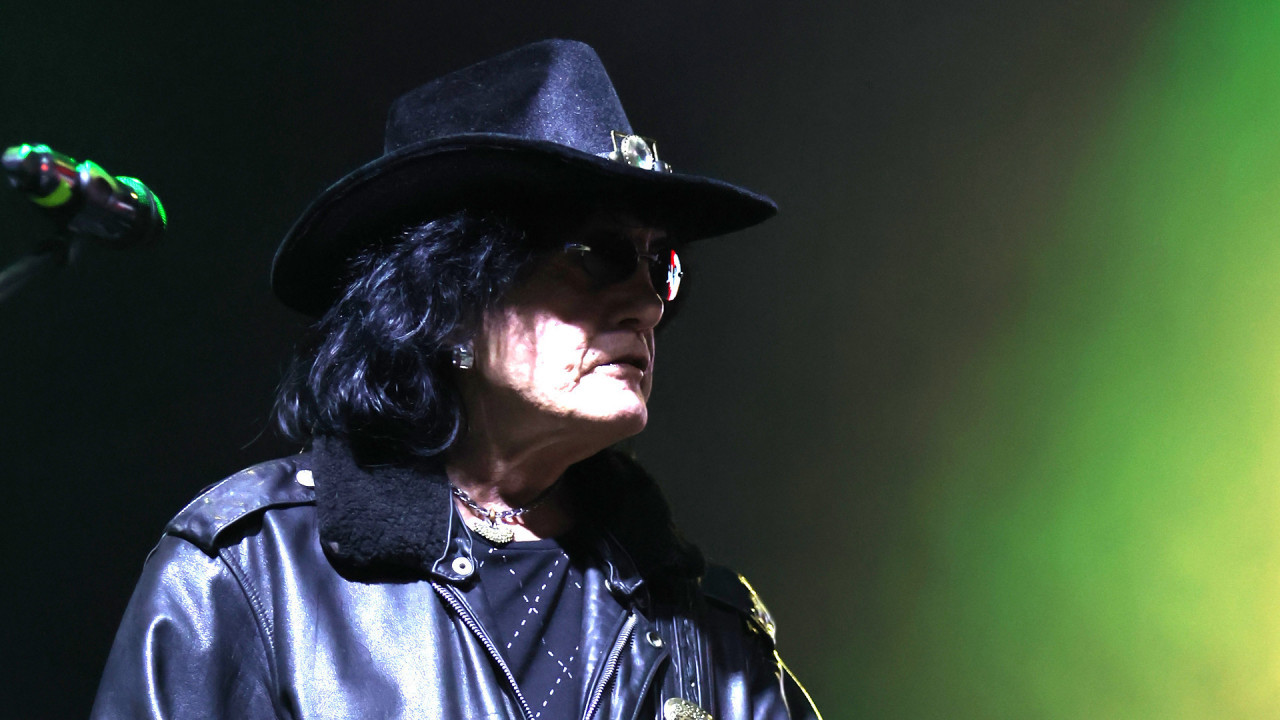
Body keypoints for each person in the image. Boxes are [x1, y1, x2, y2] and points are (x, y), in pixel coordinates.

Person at [91, 39, 821, 720]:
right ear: (447, 304)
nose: (647, 304)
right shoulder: (253, 572)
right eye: (601, 255)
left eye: (662, 266)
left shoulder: (714, 632)